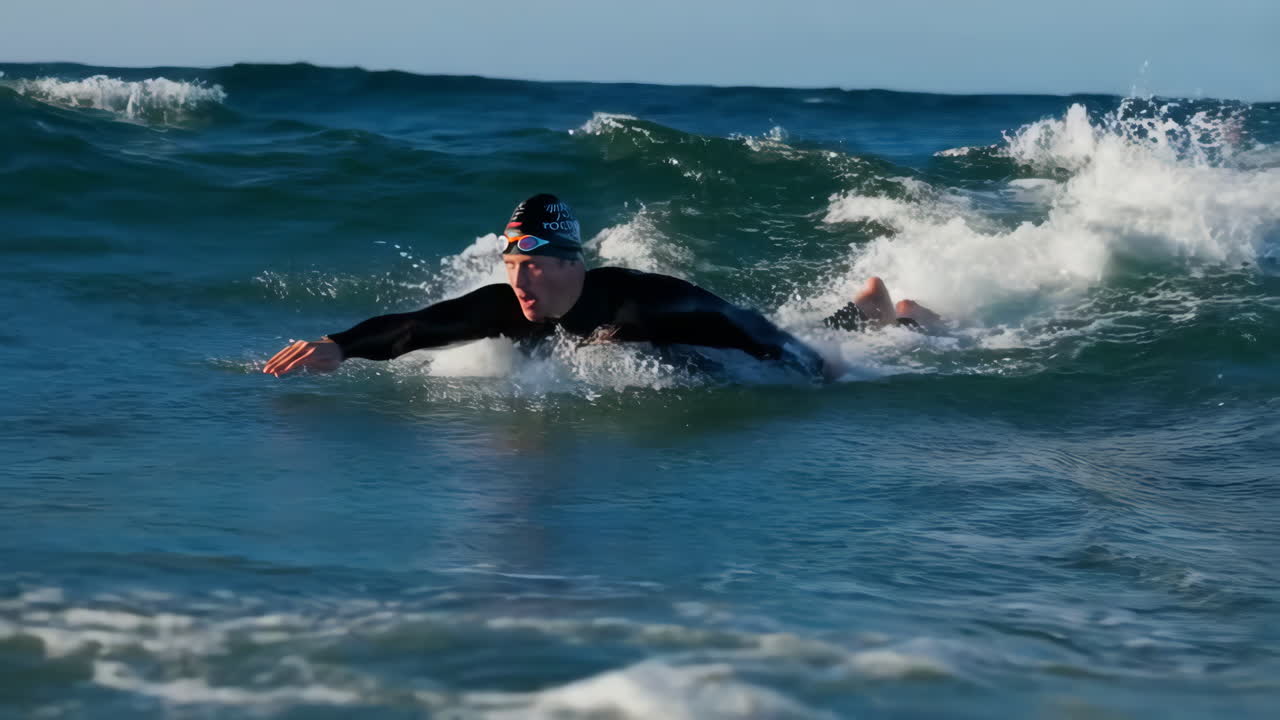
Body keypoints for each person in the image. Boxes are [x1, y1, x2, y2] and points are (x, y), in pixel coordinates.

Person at [263, 194, 939, 381]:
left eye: (532, 266)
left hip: (710, 343)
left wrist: (816, 372)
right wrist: (338, 346)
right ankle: (865, 306)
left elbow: (743, 326)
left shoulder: (639, 303)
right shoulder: (509, 305)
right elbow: (415, 327)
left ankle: (896, 320)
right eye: (510, 265)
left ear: (569, 264)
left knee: (815, 347)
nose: (518, 280)